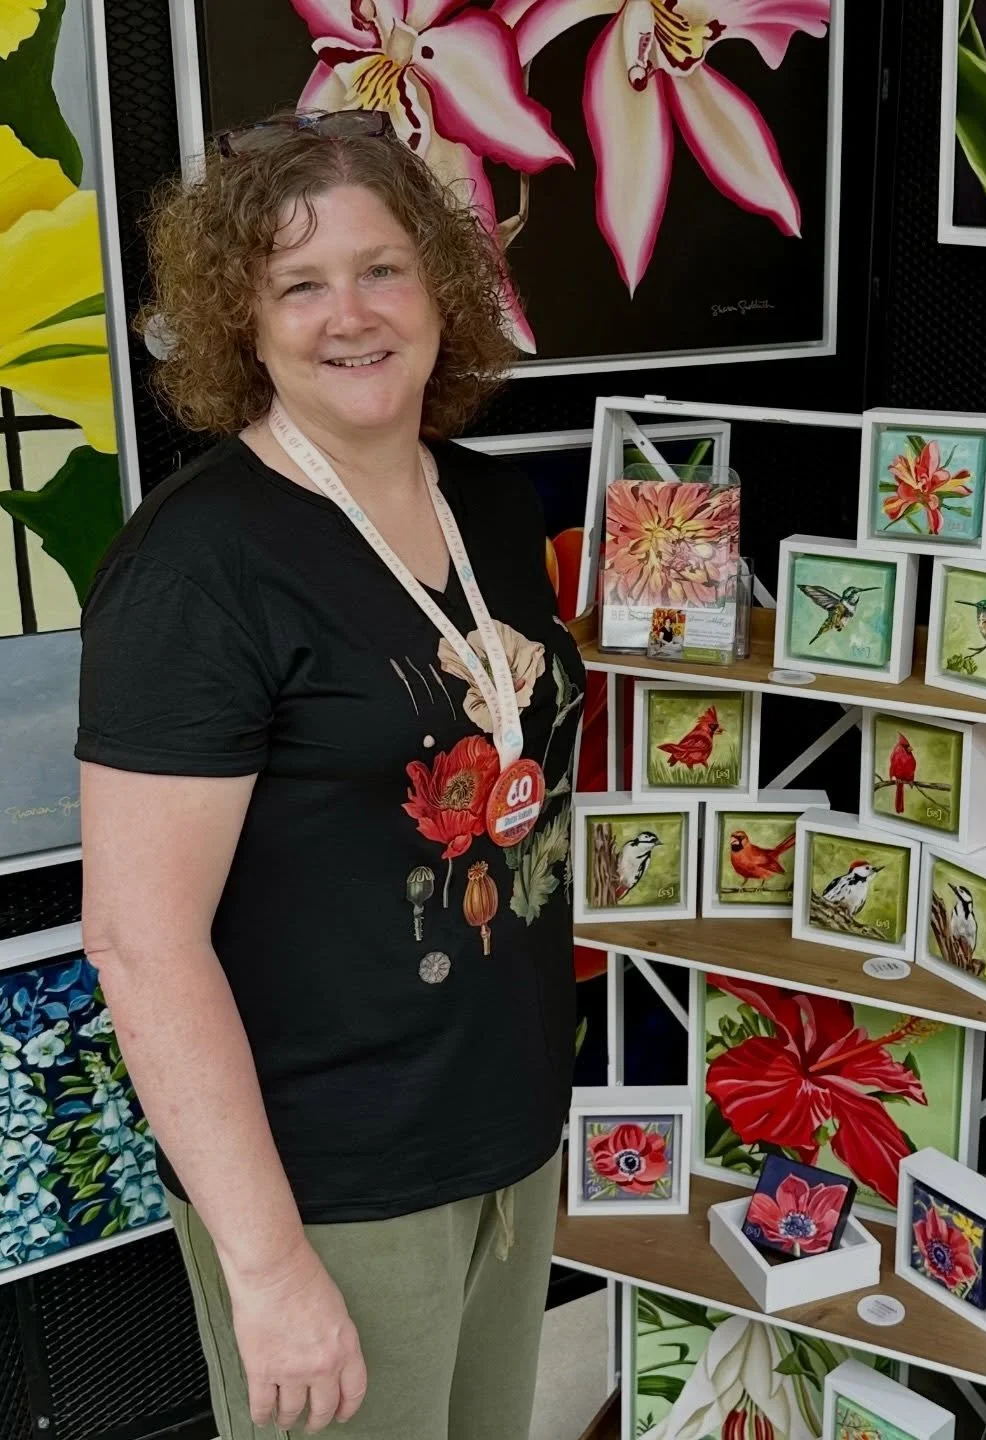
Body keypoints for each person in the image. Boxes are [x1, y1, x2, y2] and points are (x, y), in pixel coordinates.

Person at [75, 110, 584, 1439]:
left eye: (381, 269)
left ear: (442, 289)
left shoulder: (491, 507)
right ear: (243, 322)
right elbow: (140, 942)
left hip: (507, 1135)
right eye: (298, 283)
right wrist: (268, 1264)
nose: (347, 314)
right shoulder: (196, 572)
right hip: (335, 1186)